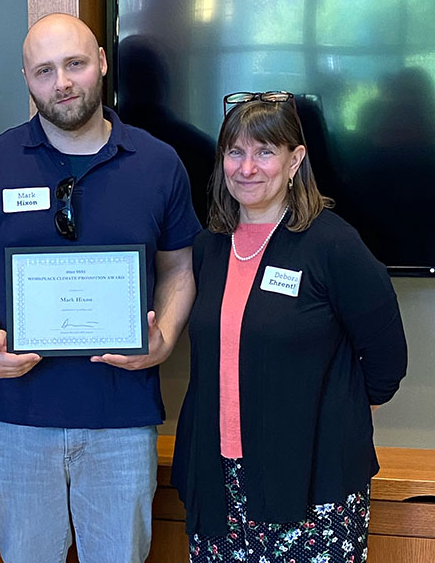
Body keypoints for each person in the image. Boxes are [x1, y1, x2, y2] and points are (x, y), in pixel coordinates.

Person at [0, 13, 201, 562]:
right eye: (44, 70)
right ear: (27, 79)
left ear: (102, 63)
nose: (61, 82)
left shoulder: (159, 164)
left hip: (121, 419)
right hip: (18, 420)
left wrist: (167, 337)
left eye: (75, 64)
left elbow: (180, 267)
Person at [171, 91, 407, 563]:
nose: (247, 168)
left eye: (264, 151)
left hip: (311, 480)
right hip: (221, 482)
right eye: (235, 152)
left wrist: (335, 414)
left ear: (295, 159)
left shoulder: (332, 244)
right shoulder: (209, 247)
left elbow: (386, 358)